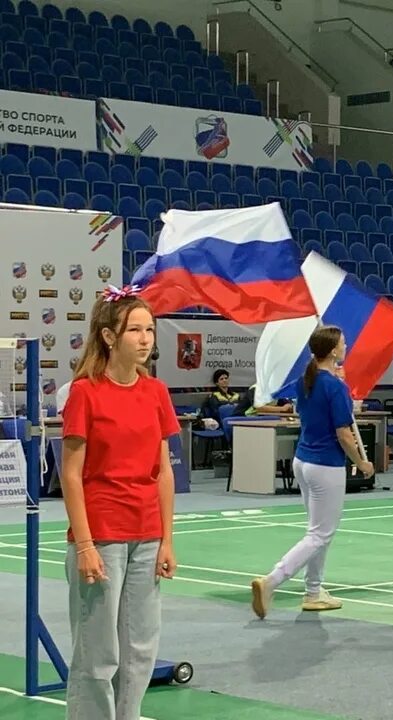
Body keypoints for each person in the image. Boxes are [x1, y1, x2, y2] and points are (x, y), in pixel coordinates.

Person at [60, 286, 180, 720]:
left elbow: (163, 470)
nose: (146, 338)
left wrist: (167, 538)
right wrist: (87, 545)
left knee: (140, 649)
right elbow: (71, 475)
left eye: (149, 329)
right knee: (98, 654)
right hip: (102, 534)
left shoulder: (156, 393)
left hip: (147, 533)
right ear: (110, 337)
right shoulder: (84, 393)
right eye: (135, 330)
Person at [251, 327, 374, 618]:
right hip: (325, 465)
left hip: (303, 461)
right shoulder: (334, 387)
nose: (347, 345)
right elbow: (344, 433)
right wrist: (361, 462)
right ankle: (272, 581)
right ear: (333, 351)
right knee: (320, 534)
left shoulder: (305, 381)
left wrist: (336, 382)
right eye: (344, 343)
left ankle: (314, 591)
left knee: (319, 531)